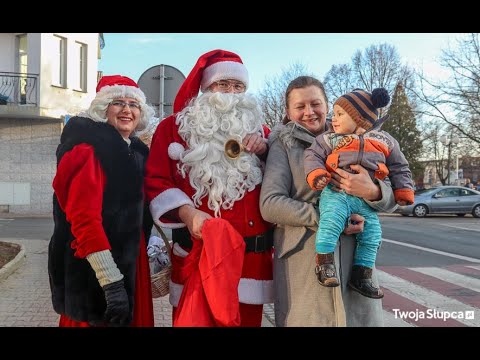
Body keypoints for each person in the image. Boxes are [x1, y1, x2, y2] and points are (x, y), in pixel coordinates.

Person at [144, 49, 273, 327]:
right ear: (206, 88)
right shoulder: (173, 128)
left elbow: (282, 181)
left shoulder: (261, 131)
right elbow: (156, 181)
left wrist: (265, 152)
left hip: (250, 263)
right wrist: (188, 214)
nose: (231, 93)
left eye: (238, 86)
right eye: (222, 84)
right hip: (197, 257)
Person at [259, 76, 398, 327]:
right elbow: (270, 203)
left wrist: (373, 191)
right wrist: (330, 217)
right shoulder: (283, 144)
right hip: (303, 259)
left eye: (316, 104)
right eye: (300, 107)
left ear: (327, 104)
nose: (309, 112)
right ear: (288, 112)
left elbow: (394, 195)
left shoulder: (357, 136)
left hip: (353, 257)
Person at [48, 75, 155, 327]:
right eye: (118, 102)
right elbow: (84, 220)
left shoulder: (135, 150)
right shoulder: (88, 150)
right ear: (102, 109)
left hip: (131, 261)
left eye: (134, 104)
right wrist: (111, 282)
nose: (127, 109)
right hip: (97, 271)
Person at [304, 88, 414, 299]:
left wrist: (403, 189)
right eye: (333, 114)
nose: (333, 119)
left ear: (359, 118)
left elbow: (400, 166)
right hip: (336, 192)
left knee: (373, 236)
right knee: (331, 221)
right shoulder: (331, 139)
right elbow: (312, 155)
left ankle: (362, 275)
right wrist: (317, 174)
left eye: (339, 114)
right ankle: (324, 263)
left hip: (365, 202)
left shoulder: (386, 141)